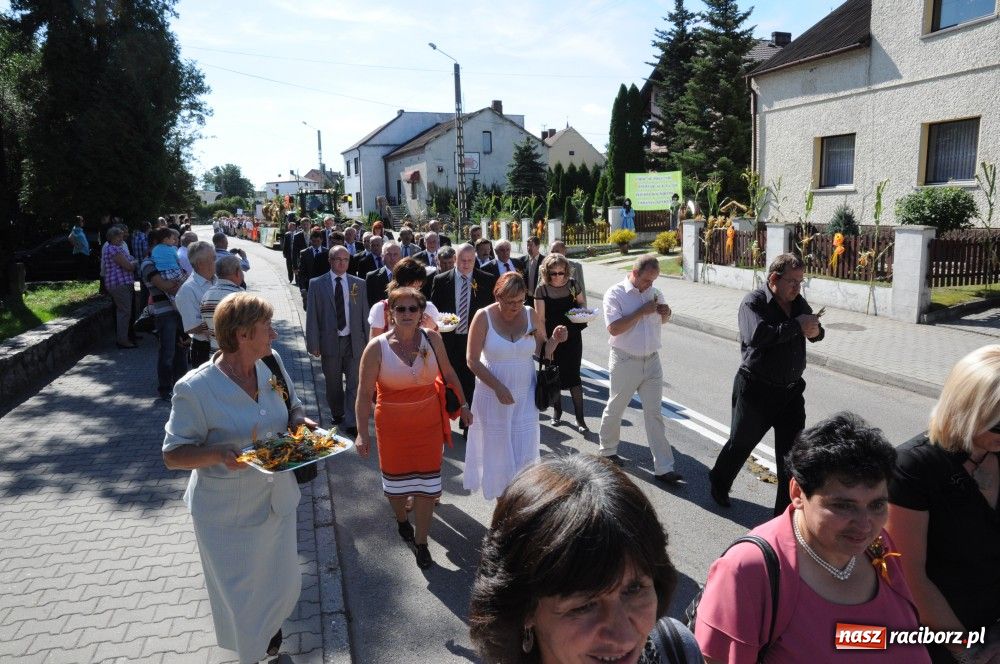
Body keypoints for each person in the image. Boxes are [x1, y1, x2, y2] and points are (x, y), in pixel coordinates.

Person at [695, 413, 930, 664]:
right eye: (843, 506)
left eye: (877, 505)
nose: (864, 524)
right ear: (798, 493)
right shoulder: (749, 571)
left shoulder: (877, 545)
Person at [162, 293, 314, 662]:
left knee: (282, 586)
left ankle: (268, 638)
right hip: (227, 517)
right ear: (243, 335)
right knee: (244, 601)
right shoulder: (195, 388)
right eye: (267, 328)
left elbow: (293, 405)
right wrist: (218, 454)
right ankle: (256, 653)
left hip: (277, 505)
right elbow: (172, 455)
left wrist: (299, 423)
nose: (274, 335)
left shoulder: (271, 363)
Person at [469, 454, 701, 664]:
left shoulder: (678, 651)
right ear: (525, 611)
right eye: (585, 605)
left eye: (634, 589)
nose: (622, 635)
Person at [887, 345, 1000, 664]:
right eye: (998, 424)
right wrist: (967, 651)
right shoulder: (913, 467)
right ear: (967, 410)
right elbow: (910, 577)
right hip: (937, 640)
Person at [355, 287, 471, 570]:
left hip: (428, 424)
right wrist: (361, 432)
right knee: (396, 489)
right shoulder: (376, 347)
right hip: (392, 428)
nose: (407, 313)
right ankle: (401, 519)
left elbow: (449, 373)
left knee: (426, 486)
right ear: (391, 313)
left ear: (421, 313)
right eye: (401, 309)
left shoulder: (432, 338)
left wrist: (464, 404)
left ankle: (422, 543)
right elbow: (363, 393)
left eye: (413, 308)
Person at [708, 253, 824, 515]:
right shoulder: (753, 302)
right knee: (740, 444)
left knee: (791, 456)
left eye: (801, 281)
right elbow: (758, 336)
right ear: (774, 278)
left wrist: (815, 330)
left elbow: (814, 330)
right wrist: (797, 325)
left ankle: (783, 515)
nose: (797, 287)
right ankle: (719, 480)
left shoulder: (797, 302)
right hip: (756, 390)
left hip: (791, 393)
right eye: (792, 281)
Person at [463, 272, 567, 499]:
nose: (516, 306)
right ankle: (502, 502)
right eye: (511, 301)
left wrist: (555, 340)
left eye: (521, 300)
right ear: (498, 296)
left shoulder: (530, 314)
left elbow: (543, 352)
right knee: (498, 453)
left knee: (524, 452)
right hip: (492, 395)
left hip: (525, 395)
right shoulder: (483, 317)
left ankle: (519, 502)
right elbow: (472, 360)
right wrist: (498, 387)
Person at [598, 254, 682, 484]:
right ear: (634, 273)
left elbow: (663, 320)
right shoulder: (615, 293)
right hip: (625, 360)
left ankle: (664, 468)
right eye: (646, 280)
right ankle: (607, 451)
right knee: (616, 407)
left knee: (654, 413)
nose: (650, 285)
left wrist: (666, 313)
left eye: (653, 280)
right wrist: (640, 312)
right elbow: (614, 328)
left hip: (652, 360)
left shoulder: (654, 293)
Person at [430, 244, 497, 425]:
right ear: (455, 259)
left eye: (470, 261)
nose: (466, 264)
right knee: (451, 380)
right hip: (450, 339)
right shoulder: (441, 280)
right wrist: (441, 324)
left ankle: (468, 423)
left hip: (475, 339)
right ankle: (452, 412)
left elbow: (492, 310)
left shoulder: (487, 280)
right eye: (462, 260)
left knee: (472, 381)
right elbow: (434, 311)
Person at [306, 246, 369, 437]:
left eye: (345, 259)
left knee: (354, 383)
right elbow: (312, 315)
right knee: (333, 383)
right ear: (330, 260)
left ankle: (351, 420)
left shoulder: (359, 283)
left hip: (354, 340)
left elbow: (364, 313)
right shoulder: (317, 284)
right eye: (337, 259)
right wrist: (313, 343)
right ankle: (337, 412)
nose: (342, 263)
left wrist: (369, 342)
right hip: (329, 341)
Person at [534, 253, 588, 433]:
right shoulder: (542, 289)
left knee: (574, 377)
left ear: (566, 271)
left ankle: (580, 419)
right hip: (553, 339)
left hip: (572, 337)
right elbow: (540, 320)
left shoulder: (573, 284)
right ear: (546, 272)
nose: (558, 276)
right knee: (554, 376)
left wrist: (581, 314)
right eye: (553, 273)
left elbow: (581, 304)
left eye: (561, 272)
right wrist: (546, 344)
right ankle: (557, 412)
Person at [141, 229, 189, 400]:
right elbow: (166, 286)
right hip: (164, 313)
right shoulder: (148, 264)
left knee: (182, 350)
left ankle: (181, 386)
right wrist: (181, 283)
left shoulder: (168, 258)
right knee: (168, 352)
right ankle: (165, 388)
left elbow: (182, 278)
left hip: (179, 310)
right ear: (156, 242)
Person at [369, 258, 440, 337]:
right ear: (399, 284)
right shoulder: (381, 308)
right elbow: (374, 343)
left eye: (418, 287)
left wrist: (434, 328)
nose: (415, 291)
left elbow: (438, 343)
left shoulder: (429, 308)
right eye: (411, 286)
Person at [175, 241, 217, 367]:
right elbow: (192, 327)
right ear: (200, 263)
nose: (217, 261)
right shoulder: (187, 290)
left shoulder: (218, 280)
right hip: (204, 349)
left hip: (222, 345)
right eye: (213, 258)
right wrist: (223, 325)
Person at [101, 226, 138, 349]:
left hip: (122, 283)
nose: (122, 238)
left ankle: (125, 337)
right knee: (124, 312)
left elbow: (129, 261)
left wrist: (132, 262)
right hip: (119, 283)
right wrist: (134, 263)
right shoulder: (113, 249)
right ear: (113, 237)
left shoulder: (117, 248)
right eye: (120, 236)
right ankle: (122, 340)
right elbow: (128, 266)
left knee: (125, 311)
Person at [200, 254, 243, 352]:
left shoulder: (206, 296)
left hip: (215, 354)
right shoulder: (241, 296)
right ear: (237, 272)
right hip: (238, 355)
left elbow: (205, 330)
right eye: (241, 270)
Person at [297, 229, 330, 308]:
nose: (316, 243)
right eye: (314, 241)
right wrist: (303, 288)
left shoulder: (327, 252)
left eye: (318, 241)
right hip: (309, 286)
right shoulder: (304, 253)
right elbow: (301, 272)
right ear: (310, 240)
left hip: (324, 287)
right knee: (309, 309)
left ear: (322, 240)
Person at [365, 240, 402, 310]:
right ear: (382, 256)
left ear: (401, 257)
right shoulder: (372, 277)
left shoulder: (407, 275)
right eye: (388, 254)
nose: (392, 258)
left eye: (395, 254)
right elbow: (369, 303)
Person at [151, 228, 187, 299]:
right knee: (185, 282)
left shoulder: (154, 249)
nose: (174, 241)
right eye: (172, 239)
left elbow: (154, 260)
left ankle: (174, 300)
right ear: (166, 240)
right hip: (174, 270)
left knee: (171, 292)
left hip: (162, 273)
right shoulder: (172, 249)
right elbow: (177, 260)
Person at [523, 236, 544, 306]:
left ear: (538, 246)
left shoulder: (545, 261)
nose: (528, 248)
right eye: (527, 246)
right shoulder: (521, 261)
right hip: (525, 299)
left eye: (531, 245)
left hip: (540, 298)